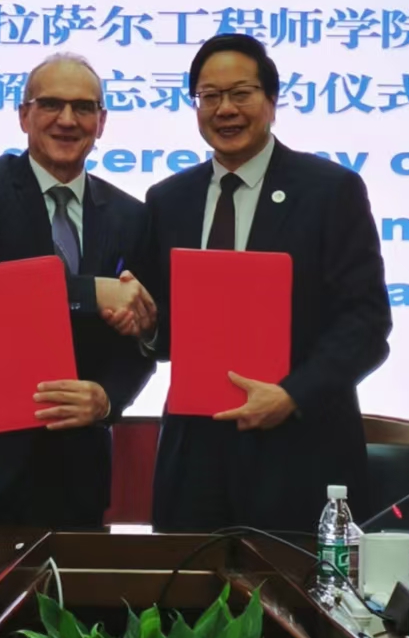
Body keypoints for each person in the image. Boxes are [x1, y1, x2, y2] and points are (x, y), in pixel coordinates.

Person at [141, 33, 391, 532]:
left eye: (241, 93)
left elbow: (366, 324)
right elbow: (165, 330)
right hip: (194, 462)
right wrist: (145, 324)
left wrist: (292, 394)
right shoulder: (168, 200)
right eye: (209, 96)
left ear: (272, 101)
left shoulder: (330, 191)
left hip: (300, 454)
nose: (225, 109)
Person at [0, 52, 158, 528]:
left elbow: (140, 335)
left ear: (102, 122)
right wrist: (93, 293)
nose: (67, 120)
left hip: (76, 471)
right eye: (50, 104)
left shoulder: (131, 216)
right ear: (24, 115)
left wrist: (109, 399)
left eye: (83, 108)